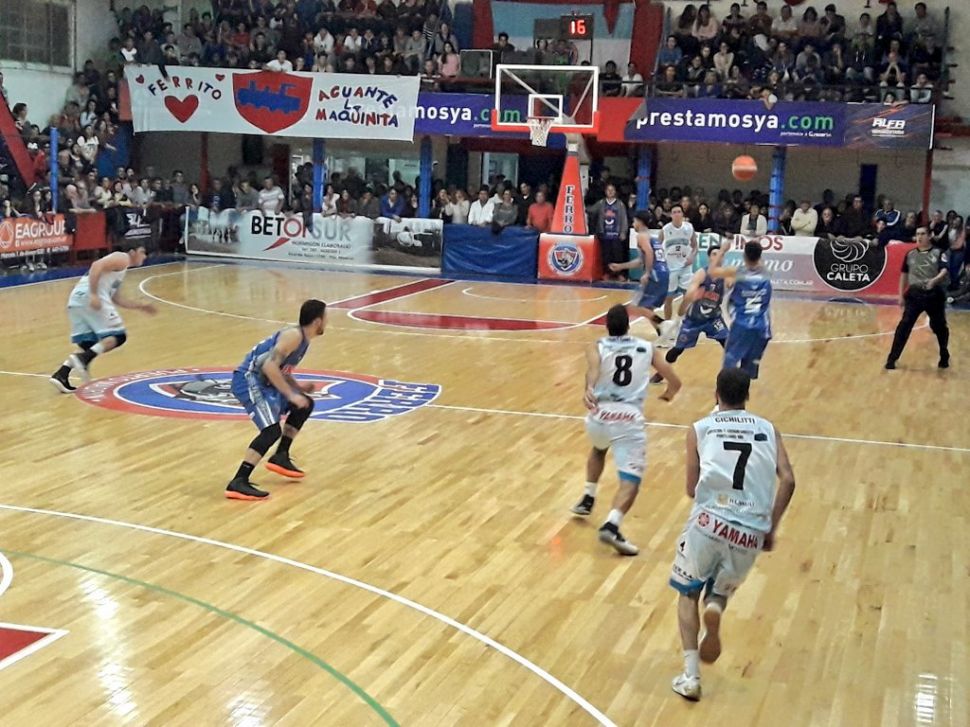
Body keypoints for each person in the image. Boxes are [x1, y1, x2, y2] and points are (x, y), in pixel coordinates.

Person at [669, 368, 796, 701]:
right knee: (720, 589)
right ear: (747, 395)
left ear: (716, 394)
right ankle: (715, 605)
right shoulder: (769, 429)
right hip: (751, 529)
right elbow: (789, 480)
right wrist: (771, 526)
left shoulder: (700, 428)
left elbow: (691, 489)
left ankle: (691, 677)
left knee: (687, 593)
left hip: (710, 521)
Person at [571, 304, 681, 555]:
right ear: (629, 326)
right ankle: (612, 525)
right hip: (628, 418)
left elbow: (593, 370)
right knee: (630, 481)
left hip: (599, 416)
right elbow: (675, 381)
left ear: (606, 326)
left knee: (598, 448)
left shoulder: (596, 345)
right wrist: (668, 394)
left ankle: (588, 496)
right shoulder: (647, 347)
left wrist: (589, 389)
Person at [226, 299, 327, 500]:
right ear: (317, 321)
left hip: (264, 381)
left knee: (305, 404)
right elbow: (269, 366)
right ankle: (238, 481)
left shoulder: (303, 339)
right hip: (248, 379)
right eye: (325, 318)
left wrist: (298, 388)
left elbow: (281, 370)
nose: (327, 322)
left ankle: (281, 455)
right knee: (271, 431)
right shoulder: (294, 336)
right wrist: (290, 394)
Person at [49, 245, 156, 393]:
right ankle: (83, 359)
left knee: (89, 343)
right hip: (89, 297)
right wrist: (94, 294)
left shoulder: (119, 270)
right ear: (132, 251)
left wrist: (140, 306)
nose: (145, 257)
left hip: (76, 300)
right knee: (118, 336)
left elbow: (116, 298)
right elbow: (96, 265)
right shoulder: (122, 257)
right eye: (143, 252)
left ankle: (61, 374)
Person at [652, 243, 731, 384]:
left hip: (713, 319)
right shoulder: (701, 273)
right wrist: (684, 305)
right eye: (714, 254)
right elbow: (689, 294)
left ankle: (732, 377)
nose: (718, 257)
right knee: (677, 349)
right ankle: (661, 372)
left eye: (721, 255)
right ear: (709, 257)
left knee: (729, 344)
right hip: (694, 319)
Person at [885, 227, 950, 370]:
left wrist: (934, 280)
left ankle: (944, 353)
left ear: (930, 236)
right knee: (904, 326)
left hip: (934, 295)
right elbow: (904, 275)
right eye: (918, 234)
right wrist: (900, 295)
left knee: (939, 326)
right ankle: (892, 358)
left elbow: (944, 270)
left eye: (923, 234)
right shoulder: (910, 254)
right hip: (915, 295)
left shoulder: (939, 253)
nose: (920, 237)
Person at [710, 241, 773, 379]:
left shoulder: (737, 272)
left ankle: (724, 390)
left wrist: (722, 250)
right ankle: (743, 390)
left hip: (742, 324)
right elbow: (758, 261)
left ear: (744, 256)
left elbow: (712, 271)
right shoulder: (767, 272)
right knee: (748, 370)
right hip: (762, 327)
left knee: (730, 359)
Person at [609, 211, 670, 336]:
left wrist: (647, 273)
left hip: (655, 273)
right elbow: (640, 261)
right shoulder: (651, 236)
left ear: (639, 221)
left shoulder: (641, 236)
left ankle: (665, 324)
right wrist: (620, 266)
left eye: (634, 221)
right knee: (647, 309)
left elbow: (649, 253)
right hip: (663, 273)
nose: (633, 224)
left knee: (636, 307)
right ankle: (664, 334)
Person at [657, 203, 698, 346]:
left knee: (689, 296)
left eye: (679, 211)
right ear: (671, 215)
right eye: (674, 212)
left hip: (685, 267)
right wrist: (660, 262)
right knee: (668, 298)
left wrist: (692, 256)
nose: (676, 214)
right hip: (670, 268)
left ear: (682, 214)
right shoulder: (665, 229)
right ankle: (668, 328)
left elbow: (695, 245)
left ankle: (682, 322)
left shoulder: (689, 228)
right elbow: (657, 246)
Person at [593, 183, 629, 280]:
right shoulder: (601, 203)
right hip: (604, 234)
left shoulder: (620, 204)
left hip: (616, 234)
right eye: (608, 190)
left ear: (615, 192)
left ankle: (619, 274)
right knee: (606, 255)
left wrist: (623, 232)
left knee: (618, 255)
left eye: (612, 190)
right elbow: (592, 211)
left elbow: (624, 219)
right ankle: (607, 273)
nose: (610, 192)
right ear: (605, 191)